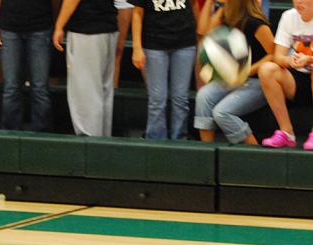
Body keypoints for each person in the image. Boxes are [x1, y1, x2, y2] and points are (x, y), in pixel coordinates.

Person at [194, 0, 274, 144]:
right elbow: (205, 34)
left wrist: (249, 70)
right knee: (203, 96)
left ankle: (254, 153)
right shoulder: (224, 18)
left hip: (258, 81)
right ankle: (207, 150)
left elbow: (273, 54)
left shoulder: (256, 24)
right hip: (232, 79)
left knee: (222, 112)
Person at [130, 0, 198, 140]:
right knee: (157, 99)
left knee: (180, 98)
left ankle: (180, 138)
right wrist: (137, 47)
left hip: (184, 43)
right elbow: (137, 13)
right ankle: (155, 140)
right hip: (154, 44)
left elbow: (194, 4)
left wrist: (198, 35)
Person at [53, 0, 119, 137]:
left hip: (87, 29)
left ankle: (89, 143)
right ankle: (102, 141)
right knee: (103, 90)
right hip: (108, 27)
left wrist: (59, 26)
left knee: (86, 92)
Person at [0, 0, 55, 131]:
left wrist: (57, 25)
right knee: (11, 88)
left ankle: (43, 137)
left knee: (40, 88)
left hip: (41, 27)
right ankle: (9, 135)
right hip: (8, 28)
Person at [259, 0, 313, 149]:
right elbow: (278, 57)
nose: (298, 2)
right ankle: (286, 133)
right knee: (267, 69)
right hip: (297, 82)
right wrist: (290, 60)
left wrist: (308, 59)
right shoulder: (289, 17)